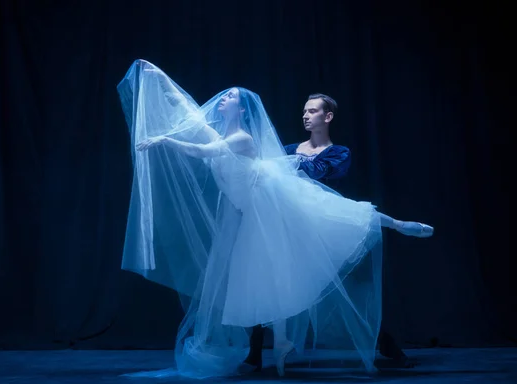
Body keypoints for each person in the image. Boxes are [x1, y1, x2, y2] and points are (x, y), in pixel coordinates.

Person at [117, 59, 433, 379]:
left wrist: (165, 140)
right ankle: (278, 343)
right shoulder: (217, 133)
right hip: (253, 216)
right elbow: (191, 117)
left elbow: (204, 152)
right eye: (223, 98)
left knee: (338, 213)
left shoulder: (241, 139)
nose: (223, 99)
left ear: (241, 111)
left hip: (273, 205)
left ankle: (397, 224)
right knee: (267, 280)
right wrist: (159, 80)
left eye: (231, 98)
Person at [244, 93, 410, 372]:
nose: (305, 116)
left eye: (312, 111)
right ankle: (255, 353)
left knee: (347, 293)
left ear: (327, 117)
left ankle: (387, 345)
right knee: (267, 284)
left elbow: (318, 173)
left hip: (324, 232)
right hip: (289, 229)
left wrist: (285, 165)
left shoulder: (338, 153)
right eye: (304, 111)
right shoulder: (287, 150)